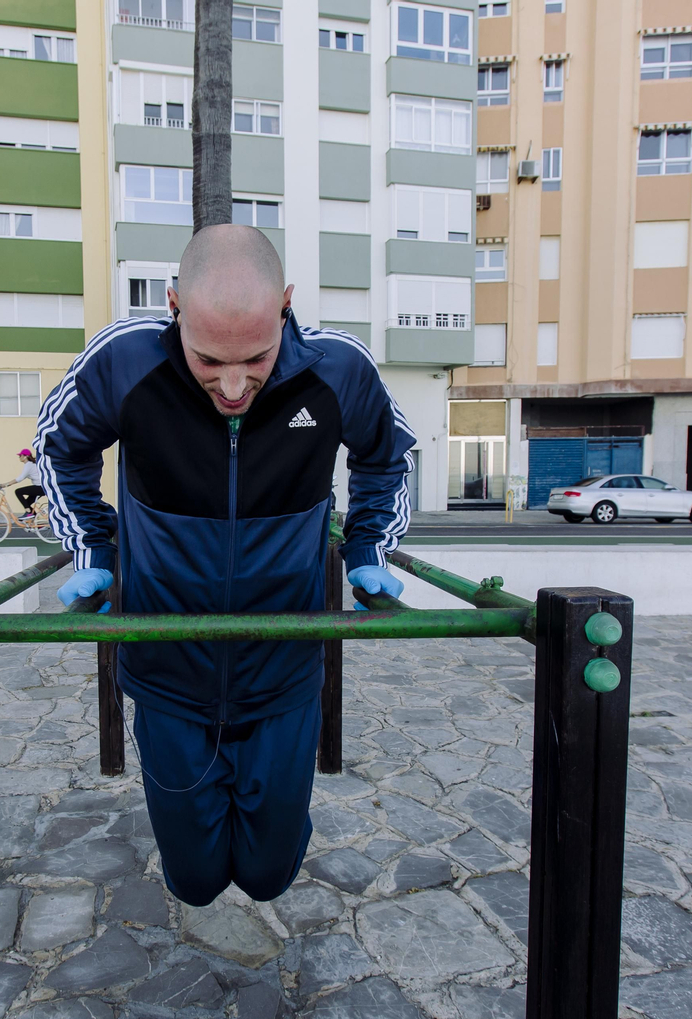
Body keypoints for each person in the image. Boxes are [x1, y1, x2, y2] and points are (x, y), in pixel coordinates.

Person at [37, 225, 415, 907]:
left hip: (284, 671)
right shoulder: (125, 362)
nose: (235, 386)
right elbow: (58, 447)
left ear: (287, 305)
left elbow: (387, 455)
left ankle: (270, 815)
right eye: (210, 361)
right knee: (196, 882)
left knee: (268, 879)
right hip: (167, 671)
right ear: (175, 304)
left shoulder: (337, 369)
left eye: (258, 358)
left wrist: (365, 548)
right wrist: (95, 548)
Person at [0, 448, 46, 517]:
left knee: (18, 491)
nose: (19, 457)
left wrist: (6, 484)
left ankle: (28, 512)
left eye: (20, 456)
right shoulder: (31, 464)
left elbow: (20, 478)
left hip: (40, 487)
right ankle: (37, 524)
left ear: (25, 456)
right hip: (42, 487)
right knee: (27, 503)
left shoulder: (28, 464)